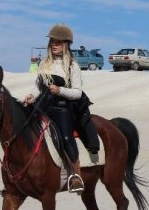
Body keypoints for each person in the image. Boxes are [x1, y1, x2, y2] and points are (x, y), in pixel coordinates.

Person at [24, 23, 100, 193]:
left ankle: (76, 176)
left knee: (65, 137)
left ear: (66, 44)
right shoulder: (45, 64)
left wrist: (60, 90)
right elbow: (38, 86)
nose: (54, 45)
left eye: (58, 42)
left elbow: (77, 93)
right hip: (43, 105)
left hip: (62, 108)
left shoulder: (72, 66)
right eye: (52, 41)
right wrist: (31, 96)